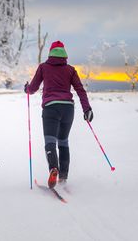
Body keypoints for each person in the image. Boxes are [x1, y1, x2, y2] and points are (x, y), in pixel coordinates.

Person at [25, 40, 93, 188]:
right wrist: (87, 109)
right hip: (68, 109)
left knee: (50, 141)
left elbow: (33, 87)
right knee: (63, 142)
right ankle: (63, 177)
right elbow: (80, 90)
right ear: (64, 54)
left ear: (50, 53)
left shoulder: (43, 67)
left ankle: (53, 168)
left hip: (50, 109)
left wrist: (27, 89)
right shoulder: (70, 70)